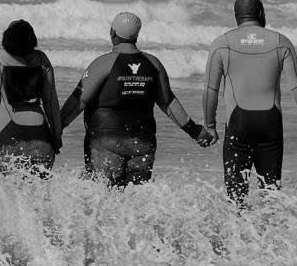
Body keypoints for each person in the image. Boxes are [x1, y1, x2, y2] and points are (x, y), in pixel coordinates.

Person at [60, 11, 212, 186]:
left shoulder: (103, 63)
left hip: (106, 141)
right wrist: (196, 132)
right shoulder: (154, 63)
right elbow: (168, 103)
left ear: (112, 33)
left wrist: (57, 127)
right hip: (142, 142)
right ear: (136, 35)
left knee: (103, 199)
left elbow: (78, 102)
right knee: (135, 201)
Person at [203, 0, 297, 205]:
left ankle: (240, 236)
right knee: (271, 195)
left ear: (237, 17)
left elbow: (211, 90)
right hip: (270, 125)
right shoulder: (280, 41)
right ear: (262, 14)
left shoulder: (221, 44)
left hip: (238, 125)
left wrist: (210, 126)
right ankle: (270, 237)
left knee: (235, 197)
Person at [0, 19, 63, 172]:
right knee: (35, 194)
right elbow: (51, 103)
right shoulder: (41, 60)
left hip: (5, 137)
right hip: (42, 141)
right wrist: (56, 136)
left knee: (1, 194)